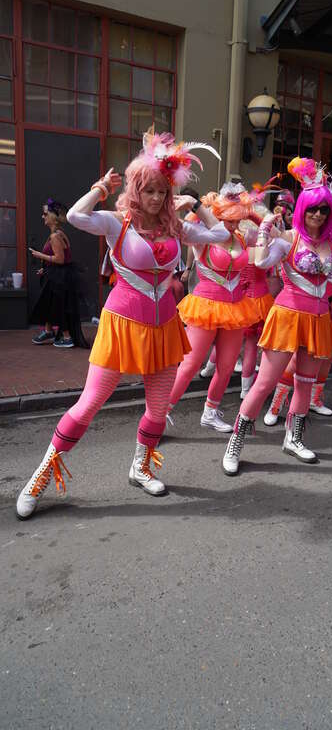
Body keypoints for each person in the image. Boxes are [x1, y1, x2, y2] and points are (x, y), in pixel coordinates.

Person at [16, 129, 227, 519]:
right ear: (136, 189)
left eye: (163, 191)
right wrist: (99, 187)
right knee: (88, 405)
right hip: (122, 324)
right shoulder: (118, 222)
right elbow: (77, 217)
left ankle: (140, 466)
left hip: (165, 325)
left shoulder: (176, 228)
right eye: (150, 191)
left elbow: (221, 234)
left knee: (158, 410)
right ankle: (41, 476)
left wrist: (196, 203)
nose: (158, 198)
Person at [222, 157, 332, 476]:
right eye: (311, 209)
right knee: (264, 383)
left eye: (323, 210)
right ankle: (235, 443)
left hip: (318, 320)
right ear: (302, 209)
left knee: (304, 384)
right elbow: (262, 263)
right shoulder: (290, 239)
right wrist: (265, 231)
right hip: (288, 316)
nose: (317, 215)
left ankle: (294, 438)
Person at [167, 181, 272, 432]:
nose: (234, 225)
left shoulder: (241, 237)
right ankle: (161, 413)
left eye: (238, 220)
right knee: (191, 364)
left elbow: (266, 230)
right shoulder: (202, 237)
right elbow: (184, 225)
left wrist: (250, 211)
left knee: (226, 366)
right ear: (217, 216)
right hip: (205, 306)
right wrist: (200, 206)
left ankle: (210, 412)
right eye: (229, 219)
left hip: (235, 307)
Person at [29, 198, 89, 349]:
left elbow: (60, 259)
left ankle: (67, 338)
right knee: (50, 303)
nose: (42, 217)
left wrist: (38, 255)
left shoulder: (56, 236)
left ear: (52, 217)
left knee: (59, 307)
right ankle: (49, 331)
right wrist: (46, 268)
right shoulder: (58, 233)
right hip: (57, 274)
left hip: (59, 277)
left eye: (44, 214)